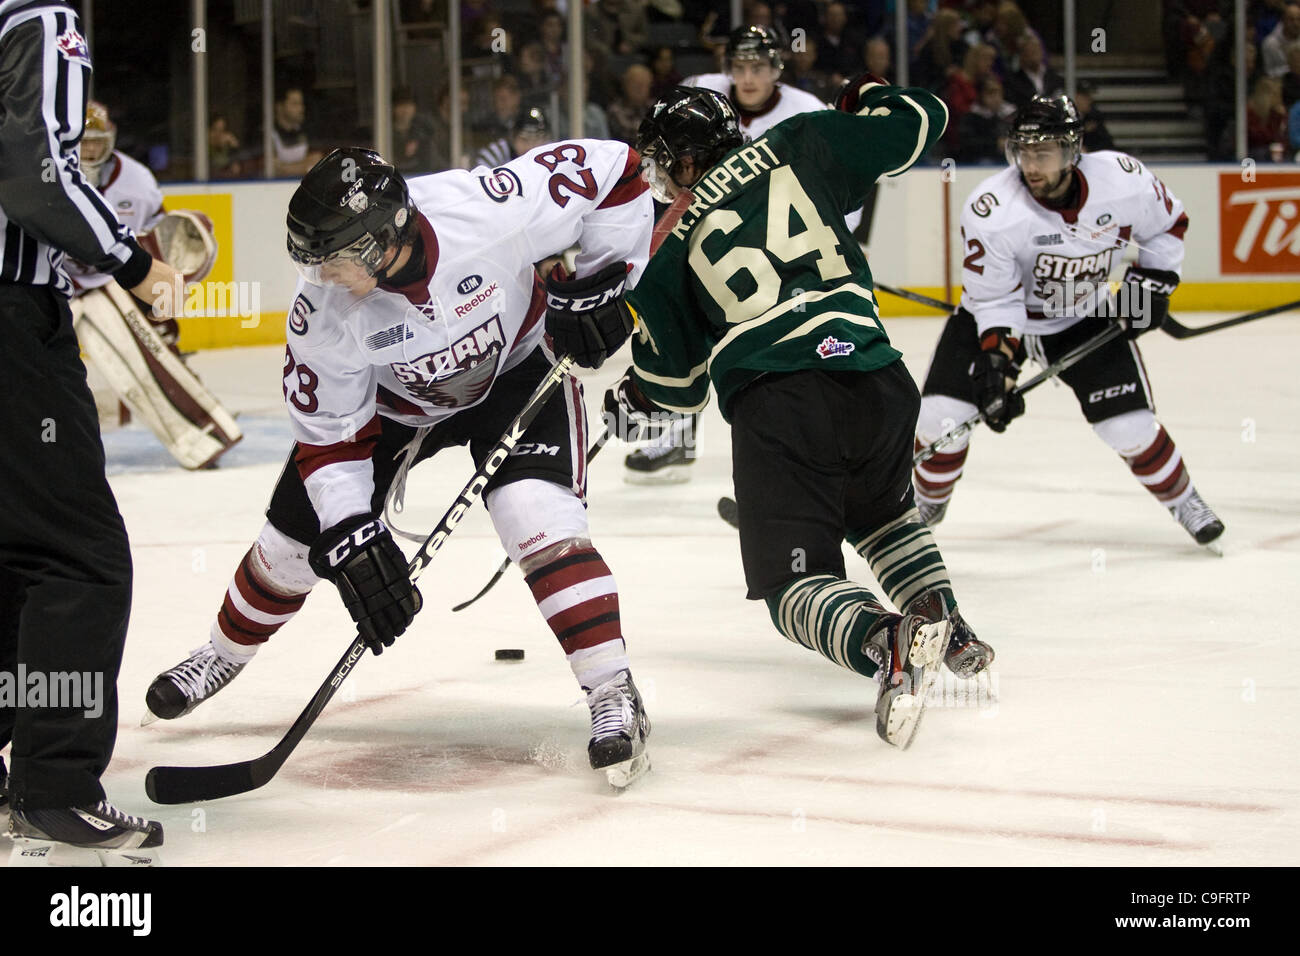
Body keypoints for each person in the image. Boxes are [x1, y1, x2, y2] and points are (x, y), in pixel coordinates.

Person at [143, 144, 655, 788]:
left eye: (335, 261)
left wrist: (600, 286)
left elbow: (619, 171)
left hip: (517, 370)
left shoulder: (488, 210)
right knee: (289, 551)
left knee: (537, 518)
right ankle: (219, 656)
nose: (324, 277)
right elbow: (330, 438)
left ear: (386, 239)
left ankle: (612, 691)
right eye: (314, 262)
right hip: (395, 408)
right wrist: (354, 534)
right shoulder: (323, 312)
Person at [549, 80, 994, 750]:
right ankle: (948, 627)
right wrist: (865, 95)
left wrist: (632, 397)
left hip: (782, 400)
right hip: (878, 374)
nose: (662, 179)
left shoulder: (668, 247)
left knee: (793, 588)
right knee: (881, 512)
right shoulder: (802, 139)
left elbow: (677, 390)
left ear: (684, 161)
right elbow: (925, 117)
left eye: (665, 164)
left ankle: (891, 641)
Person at [0, 0, 181, 860]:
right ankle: (55, 785)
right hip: (8, 324)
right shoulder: (39, 19)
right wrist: (137, 263)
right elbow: (34, 174)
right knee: (78, 557)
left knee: (11, 552)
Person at [911, 95, 1225, 553]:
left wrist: (1152, 286)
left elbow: (1168, 225)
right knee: (941, 419)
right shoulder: (993, 209)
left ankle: (1184, 500)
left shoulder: (1123, 179)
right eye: (1022, 152)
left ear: (1073, 150)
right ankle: (925, 503)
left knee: (1130, 429)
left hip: (1085, 315)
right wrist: (997, 364)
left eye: (1044, 152)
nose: (1031, 165)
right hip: (1000, 317)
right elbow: (996, 298)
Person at [630, 23, 838, 484]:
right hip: (709, 237)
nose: (748, 77)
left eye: (758, 67)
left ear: (777, 69)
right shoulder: (704, 97)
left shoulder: (806, 112)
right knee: (687, 323)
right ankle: (676, 433)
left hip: (787, 246)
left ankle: (796, 460)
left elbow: (834, 188)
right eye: (739, 67)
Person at [474, 106, 552, 169]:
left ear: (547, 139)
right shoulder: (495, 154)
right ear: (513, 138)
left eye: (537, 139)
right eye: (525, 139)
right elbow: (480, 184)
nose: (531, 146)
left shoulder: (553, 154)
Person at [271, 86, 322, 177]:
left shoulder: (309, 132)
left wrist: (284, 168)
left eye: (301, 104)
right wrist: (304, 165)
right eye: (295, 104)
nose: (301, 109)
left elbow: (316, 162)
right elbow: (271, 167)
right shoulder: (268, 135)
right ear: (279, 107)